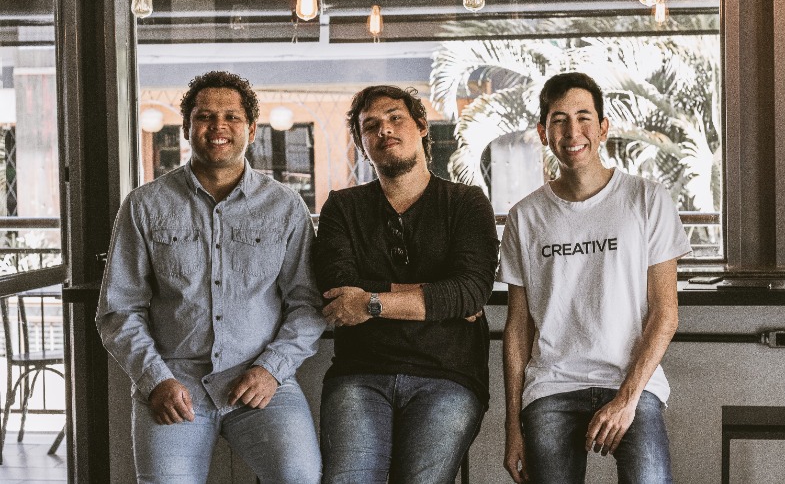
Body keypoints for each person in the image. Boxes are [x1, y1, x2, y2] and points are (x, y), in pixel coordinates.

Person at [96, 71, 325, 483]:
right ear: (186, 128)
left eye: (232, 117)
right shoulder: (144, 205)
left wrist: (272, 368)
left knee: (301, 478)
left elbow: (307, 305)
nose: (218, 126)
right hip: (174, 385)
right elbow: (118, 309)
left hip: (261, 382)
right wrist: (154, 379)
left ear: (251, 129)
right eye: (204, 116)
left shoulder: (286, 206)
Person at [499, 72, 692, 483]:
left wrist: (626, 399)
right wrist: (512, 426)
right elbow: (517, 329)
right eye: (559, 120)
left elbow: (666, 315)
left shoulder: (647, 200)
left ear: (603, 127)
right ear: (543, 132)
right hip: (551, 386)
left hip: (633, 383)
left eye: (584, 117)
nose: (574, 132)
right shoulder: (524, 217)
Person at [313, 85, 499, 483]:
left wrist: (371, 302)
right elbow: (338, 290)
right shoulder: (342, 207)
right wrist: (437, 296)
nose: (384, 130)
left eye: (395, 118)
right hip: (360, 374)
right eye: (370, 126)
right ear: (362, 145)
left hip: (448, 376)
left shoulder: (467, 203)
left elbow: (470, 290)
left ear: (421, 126)